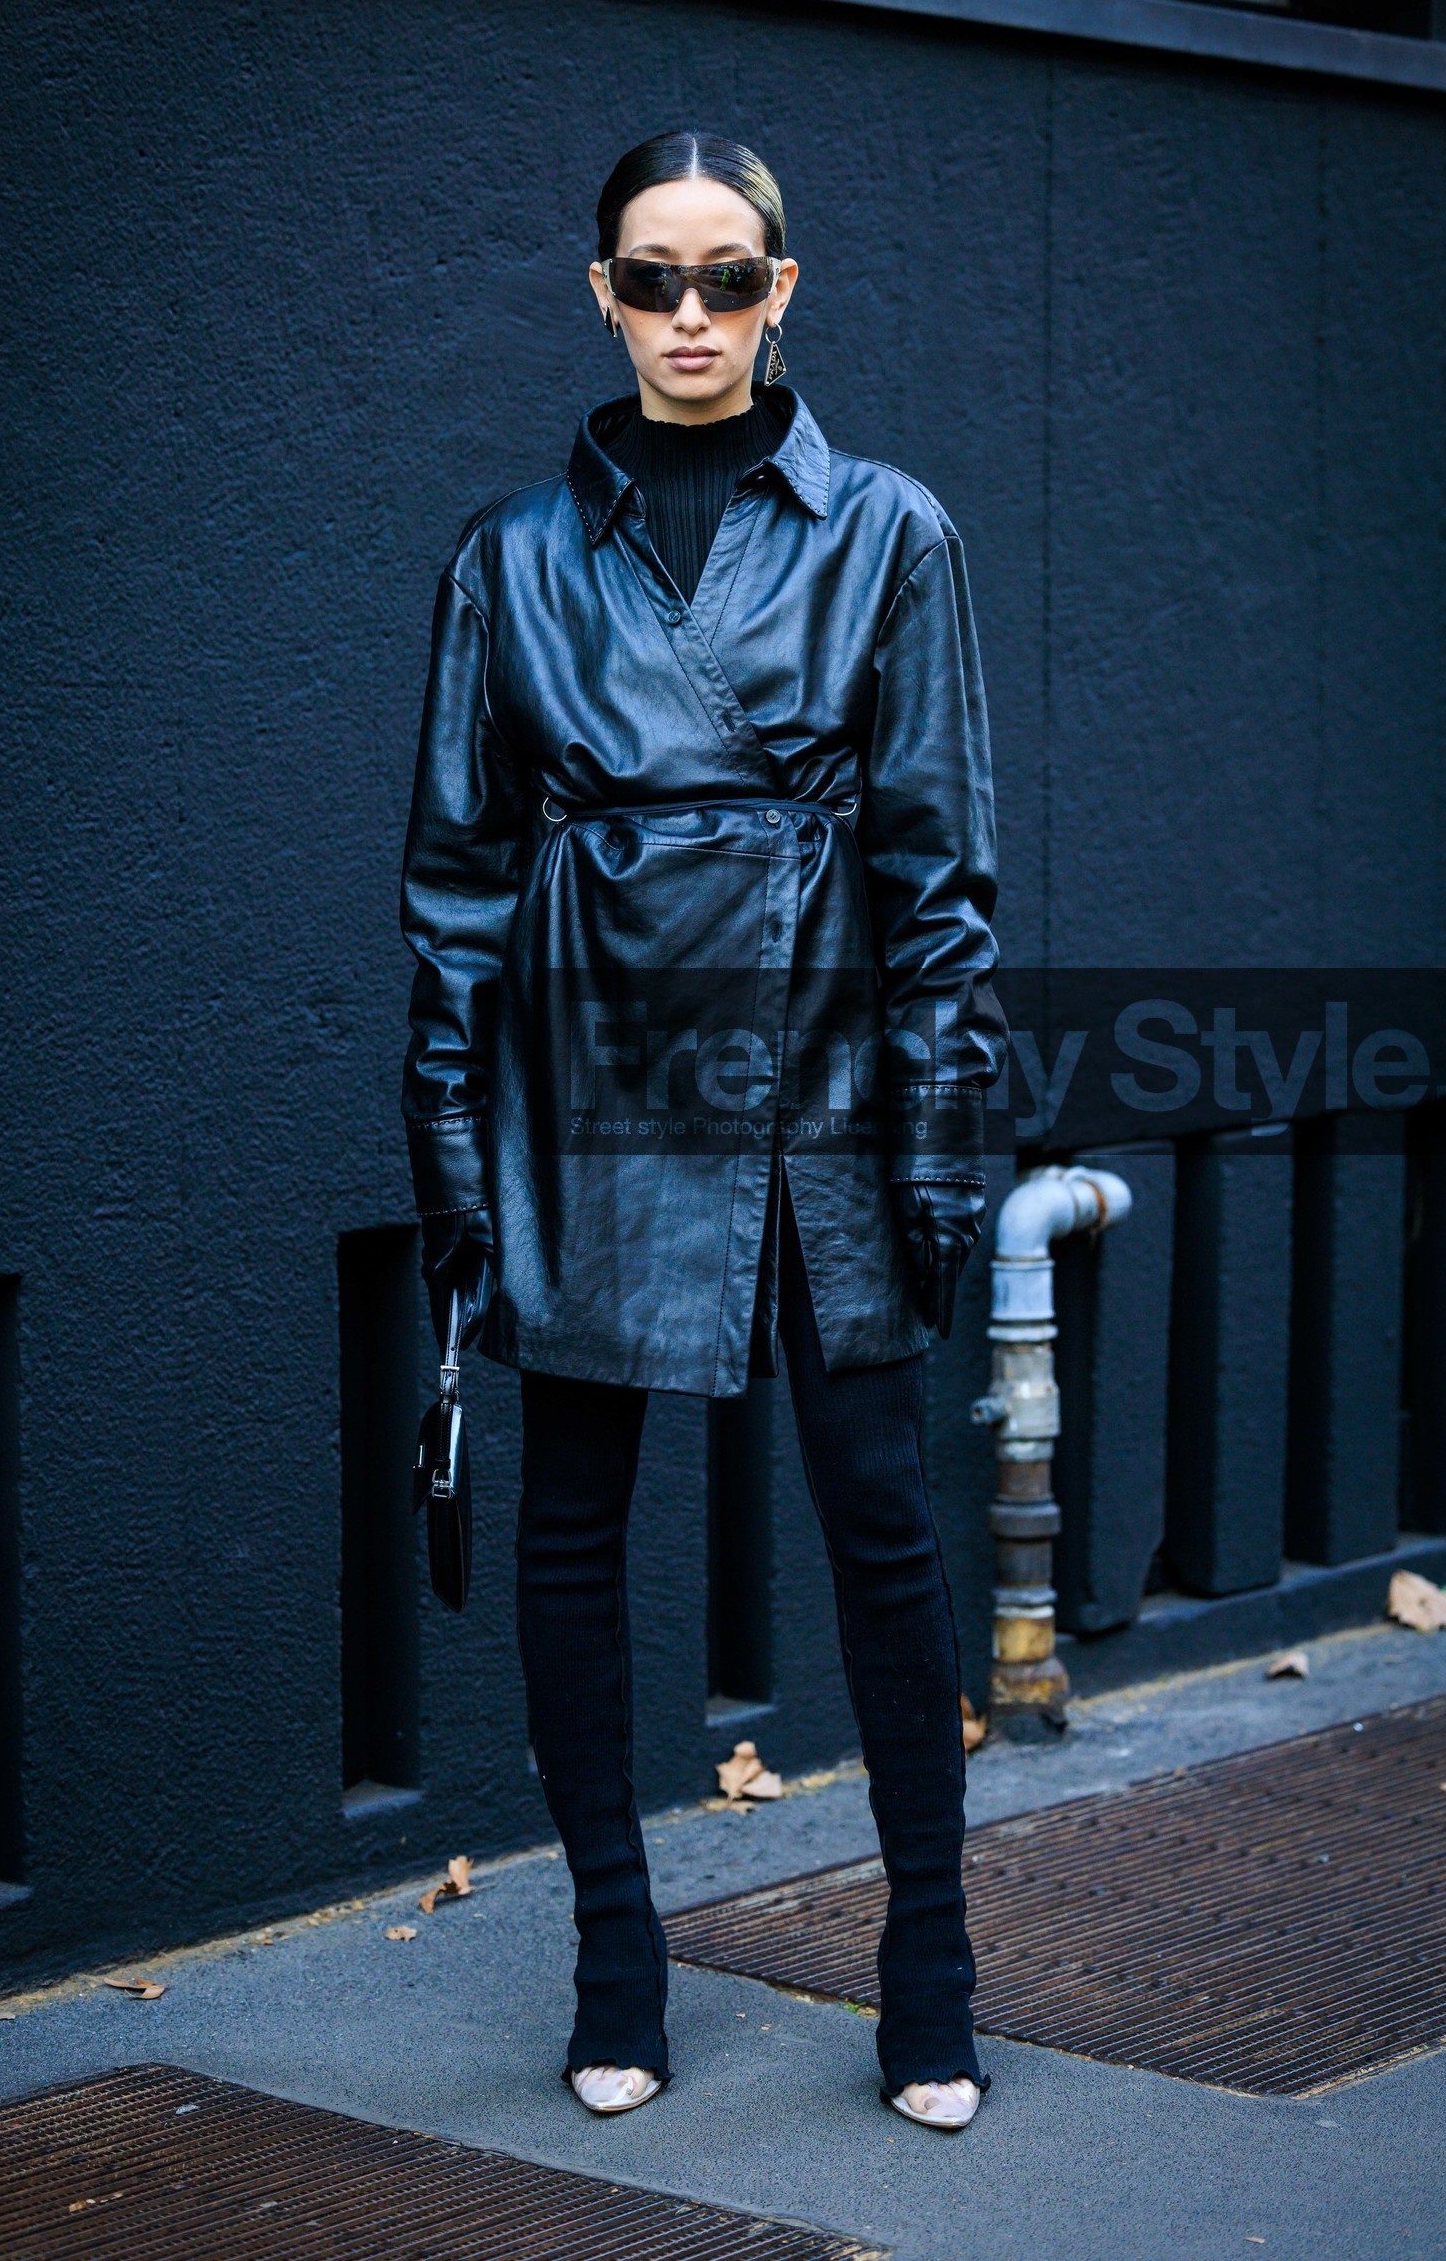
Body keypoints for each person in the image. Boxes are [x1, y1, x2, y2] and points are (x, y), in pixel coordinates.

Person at [400, 131, 1005, 2132]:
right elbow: (452, 890)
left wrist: (938, 1140)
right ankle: (613, 1956)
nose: (685, 318)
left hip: (819, 1066)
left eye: (723, 280)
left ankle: (929, 1962)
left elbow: (937, 871)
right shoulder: (504, 557)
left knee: (879, 1523)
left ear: (781, 290)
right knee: (571, 1539)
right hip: (586, 1086)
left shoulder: (886, 531)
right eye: (647, 280)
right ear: (594, 291)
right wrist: (454, 1168)